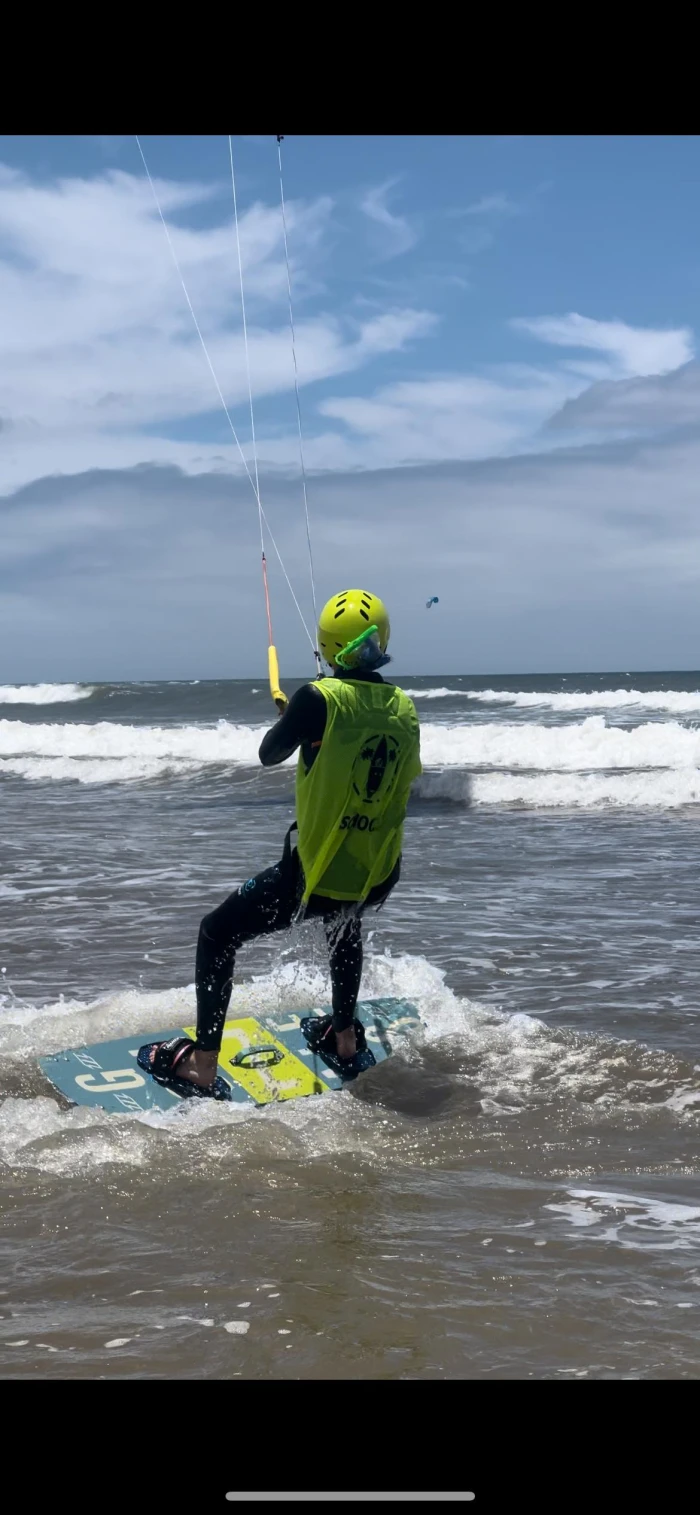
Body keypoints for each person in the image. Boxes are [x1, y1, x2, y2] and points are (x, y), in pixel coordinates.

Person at [139, 589, 422, 1096]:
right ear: (382, 641)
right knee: (344, 920)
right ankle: (344, 1041)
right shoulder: (404, 707)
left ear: (327, 646)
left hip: (314, 876)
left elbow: (270, 754)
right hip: (376, 875)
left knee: (216, 933)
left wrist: (294, 715)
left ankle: (202, 1066)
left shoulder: (318, 699)